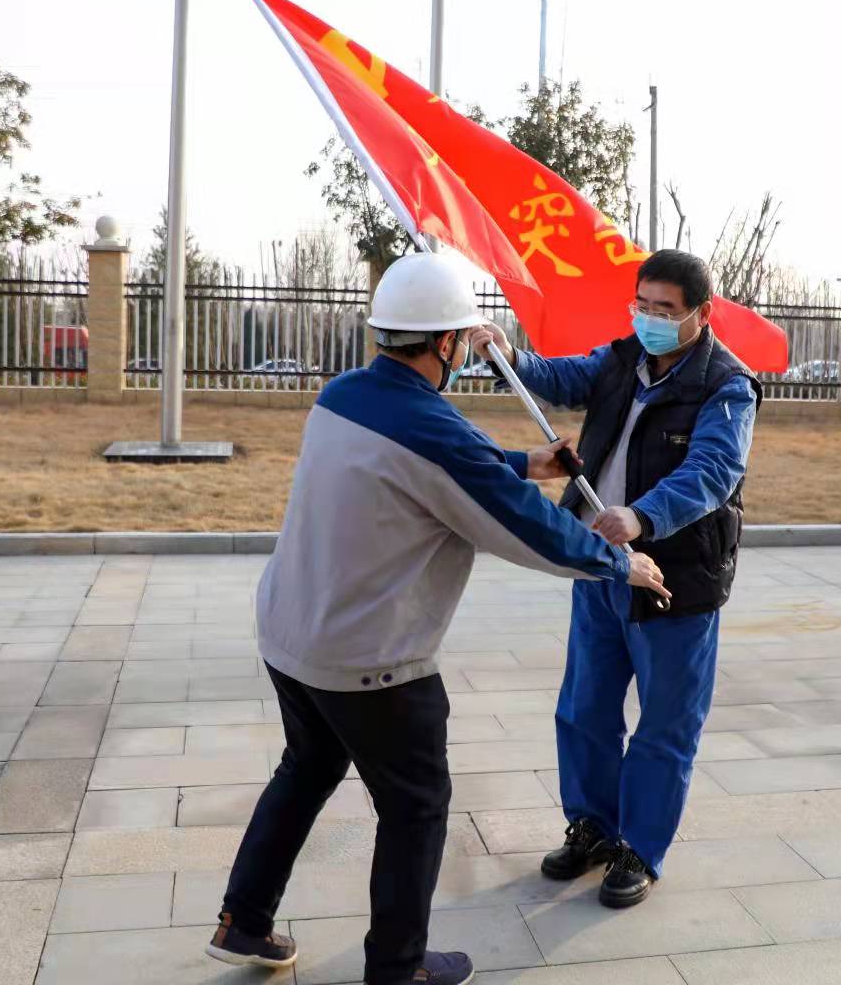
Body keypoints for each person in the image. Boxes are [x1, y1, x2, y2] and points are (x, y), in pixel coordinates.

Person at [206, 251, 670, 985]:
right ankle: (398, 968)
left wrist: (525, 462)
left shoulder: (343, 394)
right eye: (460, 338)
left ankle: (244, 920)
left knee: (307, 767)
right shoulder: (431, 429)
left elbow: (438, 459)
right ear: (448, 344)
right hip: (370, 660)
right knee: (417, 805)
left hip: (292, 634)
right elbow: (525, 528)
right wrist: (621, 563)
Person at [470, 249, 762, 909]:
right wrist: (507, 357)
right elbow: (558, 377)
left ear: (701, 314)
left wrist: (641, 516)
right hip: (602, 567)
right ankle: (593, 829)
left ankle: (640, 848)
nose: (651, 320)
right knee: (585, 708)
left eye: (665, 310)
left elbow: (712, 475)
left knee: (665, 722)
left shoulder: (727, 386)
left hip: (673, 579)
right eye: (643, 305)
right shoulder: (621, 360)